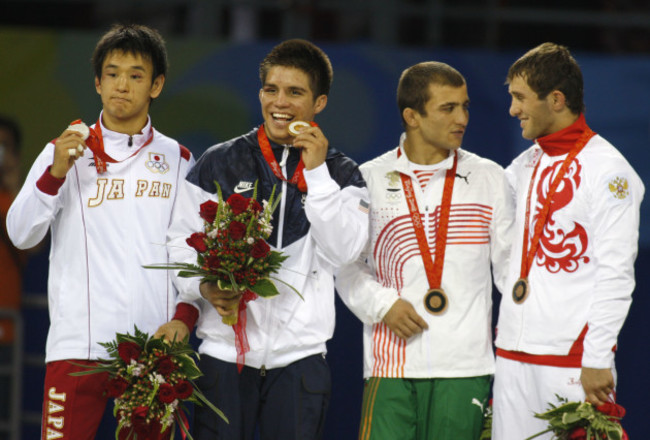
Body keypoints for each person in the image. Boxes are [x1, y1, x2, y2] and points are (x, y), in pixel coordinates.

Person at [155, 39, 369, 440]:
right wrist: (203, 286)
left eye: (295, 92)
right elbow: (179, 245)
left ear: (319, 103)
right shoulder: (218, 162)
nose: (280, 103)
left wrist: (318, 175)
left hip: (300, 361)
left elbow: (345, 252)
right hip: (223, 355)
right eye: (271, 90)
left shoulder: (343, 174)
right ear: (260, 93)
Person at [6, 24, 194, 439]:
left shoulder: (178, 159)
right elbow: (19, 234)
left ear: (156, 85)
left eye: (136, 75)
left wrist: (185, 316)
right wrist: (55, 174)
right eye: (112, 74)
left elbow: (189, 252)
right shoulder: (63, 149)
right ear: (97, 82)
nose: (121, 85)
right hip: (77, 348)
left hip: (152, 353)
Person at [334, 61, 514, 440]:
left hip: (465, 368)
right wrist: (383, 305)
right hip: (392, 366)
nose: (462, 118)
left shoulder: (490, 178)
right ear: (411, 116)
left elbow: (511, 271)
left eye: (465, 106)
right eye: (448, 108)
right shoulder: (369, 178)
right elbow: (347, 266)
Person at [492, 42, 644, 440]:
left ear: (556, 99)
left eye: (520, 98)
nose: (513, 110)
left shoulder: (608, 171)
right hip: (511, 355)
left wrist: (597, 357)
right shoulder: (523, 166)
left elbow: (617, 273)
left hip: (572, 363)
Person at [0, 115, 26, 439]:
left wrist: (14, 184)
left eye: (3, 148)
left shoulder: (17, 201)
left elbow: (31, 246)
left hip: (4, 334)